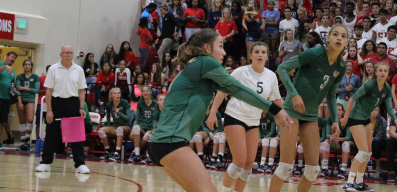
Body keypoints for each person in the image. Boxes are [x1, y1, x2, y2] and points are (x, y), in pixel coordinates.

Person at [148, 29, 291, 192]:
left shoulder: (196, 65)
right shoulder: (206, 62)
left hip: (161, 143)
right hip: (170, 142)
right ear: (207, 48)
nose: (224, 52)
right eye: (221, 46)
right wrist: (275, 109)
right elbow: (239, 90)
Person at [268, 25, 349, 192]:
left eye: (343, 36)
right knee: (285, 167)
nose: (339, 38)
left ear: (347, 41)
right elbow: (282, 68)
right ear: (328, 38)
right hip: (291, 111)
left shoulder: (341, 66)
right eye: (335, 34)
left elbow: (332, 95)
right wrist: (294, 94)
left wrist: (335, 120)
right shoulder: (314, 53)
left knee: (313, 170)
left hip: (311, 115)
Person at [207, 42, 282, 192]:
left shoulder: (271, 76)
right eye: (257, 52)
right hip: (235, 116)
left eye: (263, 52)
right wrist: (213, 112)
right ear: (250, 55)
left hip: (254, 121)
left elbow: (277, 100)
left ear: (267, 56)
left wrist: (289, 114)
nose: (260, 55)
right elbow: (222, 91)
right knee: (239, 161)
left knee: (248, 165)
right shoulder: (241, 71)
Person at [340, 63, 397, 192]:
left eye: (385, 70)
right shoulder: (369, 85)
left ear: (388, 73)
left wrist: (395, 119)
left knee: (368, 153)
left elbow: (389, 106)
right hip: (355, 117)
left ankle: (359, 183)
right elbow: (351, 99)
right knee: (362, 151)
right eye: (380, 70)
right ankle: (349, 182)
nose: (383, 72)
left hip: (366, 119)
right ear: (376, 73)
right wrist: (345, 117)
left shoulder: (387, 89)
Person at [36, 46, 90, 174]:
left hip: (73, 102)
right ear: (61, 54)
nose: (69, 55)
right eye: (66, 53)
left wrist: (81, 107)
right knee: (51, 132)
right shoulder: (53, 69)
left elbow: (81, 91)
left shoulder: (79, 69)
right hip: (56, 102)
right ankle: (45, 162)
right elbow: (48, 91)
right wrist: (49, 110)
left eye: (71, 52)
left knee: (76, 134)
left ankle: (80, 164)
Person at [98, 87, 132, 161]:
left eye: (118, 93)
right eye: (115, 93)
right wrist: (109, 126)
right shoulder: (109, 105)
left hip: (126, 127)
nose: (117, 95)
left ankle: (117, 153)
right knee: (101, 131)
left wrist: (118, 112)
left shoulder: (125, 102)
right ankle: (108, 151)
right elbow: (107, 117)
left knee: (119, 129)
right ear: (111, 95)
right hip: (115, 127)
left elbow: (128, 118)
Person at [16, 60, 40, 151]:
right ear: (23, 66)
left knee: (30, 119)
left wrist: (23, 88)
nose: (27, 66)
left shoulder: (35, 77)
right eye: (25, 64)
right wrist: (19, 102)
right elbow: (18, 89)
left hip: (30, 99)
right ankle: (22, 142)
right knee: (21, 120)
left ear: (31, 66)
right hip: (21, 99)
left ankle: (27, 141)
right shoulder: (19, 76)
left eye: (29, 64)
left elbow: (36, 90)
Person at [129, 85, 157, 163]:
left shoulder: (155, 103)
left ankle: (137, 151)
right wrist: (133, 128)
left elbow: (156, 119)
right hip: (142, 127)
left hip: (151, 128)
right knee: (135, 130)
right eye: (143, 91)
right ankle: (137, 155)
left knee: (148, 135)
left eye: (147, 91)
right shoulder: (140, 103)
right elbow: (137, 118)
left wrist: (154, 129)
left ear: (150, 92)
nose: (145, 93)